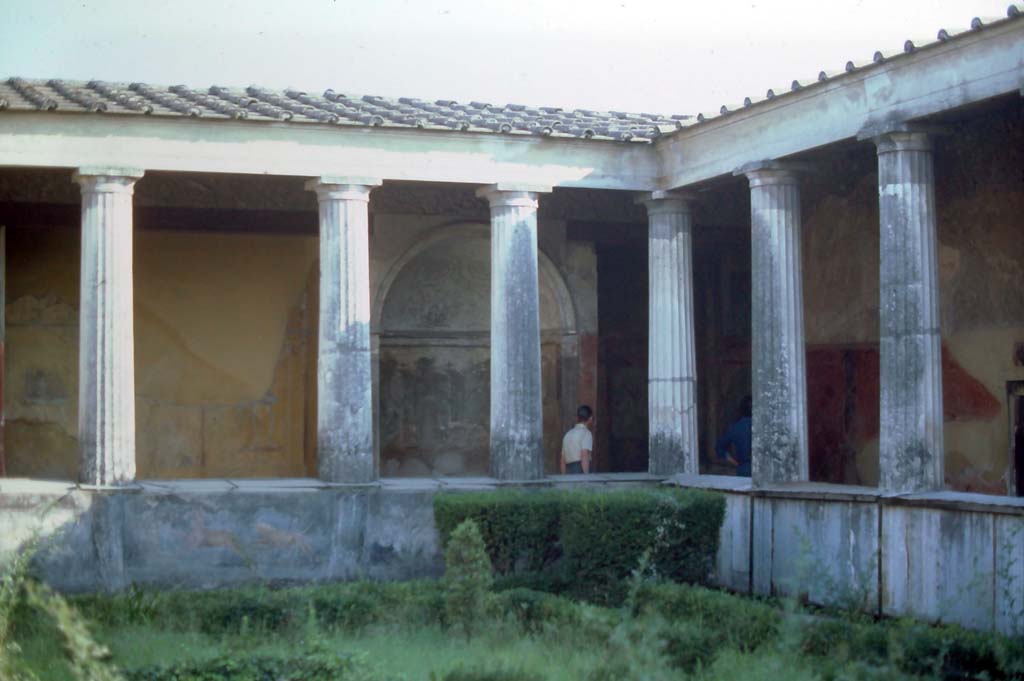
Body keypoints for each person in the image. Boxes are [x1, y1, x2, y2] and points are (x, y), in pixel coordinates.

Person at [716, 395, 752, 477]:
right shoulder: (762, 428)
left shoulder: (735, 428)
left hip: (743, 470)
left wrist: (735, 463)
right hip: (763, 470)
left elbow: (719, 448)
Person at [561, 404, 595, 474]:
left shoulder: (568, 434)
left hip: (568, 471)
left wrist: (563, 477)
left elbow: (562, 459)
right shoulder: (586, 433)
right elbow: (584, 455)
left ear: (577, 417)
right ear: (590, 418)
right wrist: (586, 476)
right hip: (579, 470)